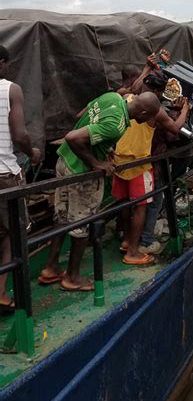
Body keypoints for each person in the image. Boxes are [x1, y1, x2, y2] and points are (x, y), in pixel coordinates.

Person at [39, 91, 160, 291]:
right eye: (150, 116)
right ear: (145, 113)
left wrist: (104, 148)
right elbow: (73, 137)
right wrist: (97, 163)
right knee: (83, 223)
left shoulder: (112, 97)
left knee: (61, 217)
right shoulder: (117, 125)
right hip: (80, 172)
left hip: (64, 162)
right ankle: (72, 277)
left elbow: (83, 117)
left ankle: (50, 267)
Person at [114, 78, 189, 260]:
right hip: (140, 164)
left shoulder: (125, 98)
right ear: (156, 93)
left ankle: (125, 240)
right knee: (142, 207)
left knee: (124, 203)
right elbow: (174, 129)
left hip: (119, 161)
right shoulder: (154, 111)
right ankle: (134, 250)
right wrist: (184, 109)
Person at [0, 46, 41, 313]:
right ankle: (1, 293)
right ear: (3, 63)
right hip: (4, 173)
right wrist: (32, 152)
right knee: (12, 234)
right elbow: (19, 134)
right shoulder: (10, 89)